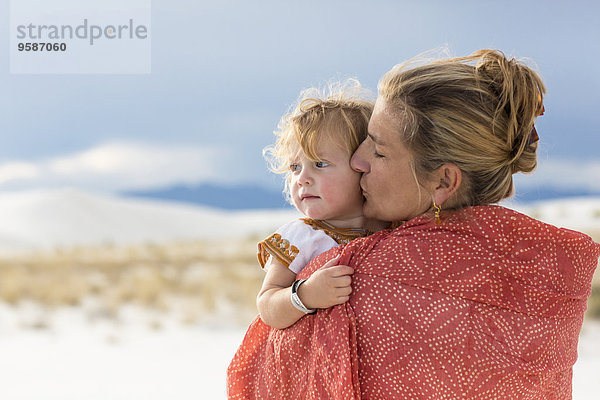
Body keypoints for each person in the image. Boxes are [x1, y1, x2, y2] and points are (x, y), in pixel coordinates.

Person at [227, 50, 600, 399]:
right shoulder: (547, 264)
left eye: (378, 148)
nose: (358, 160)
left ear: (443, 182)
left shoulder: (371, 270)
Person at [255, 80, 387, 329]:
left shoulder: (391, 228)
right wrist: (305, 295)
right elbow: (267, 305)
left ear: (362, 166)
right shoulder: (300, 237)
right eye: (295, 167)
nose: (302, 177)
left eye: (319, 164)